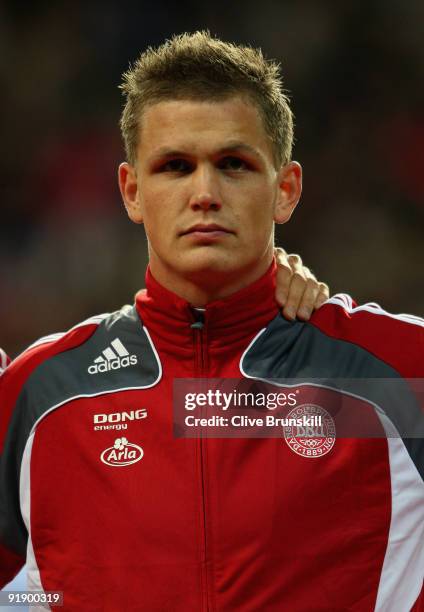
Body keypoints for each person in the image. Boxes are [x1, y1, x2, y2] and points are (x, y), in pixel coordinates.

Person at [0, 31, 423, 611]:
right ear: (131, 191)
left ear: (286, 190)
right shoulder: (38, 393)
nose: (205, 193)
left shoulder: (403, 372)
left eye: (234, 164)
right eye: (175, 166)